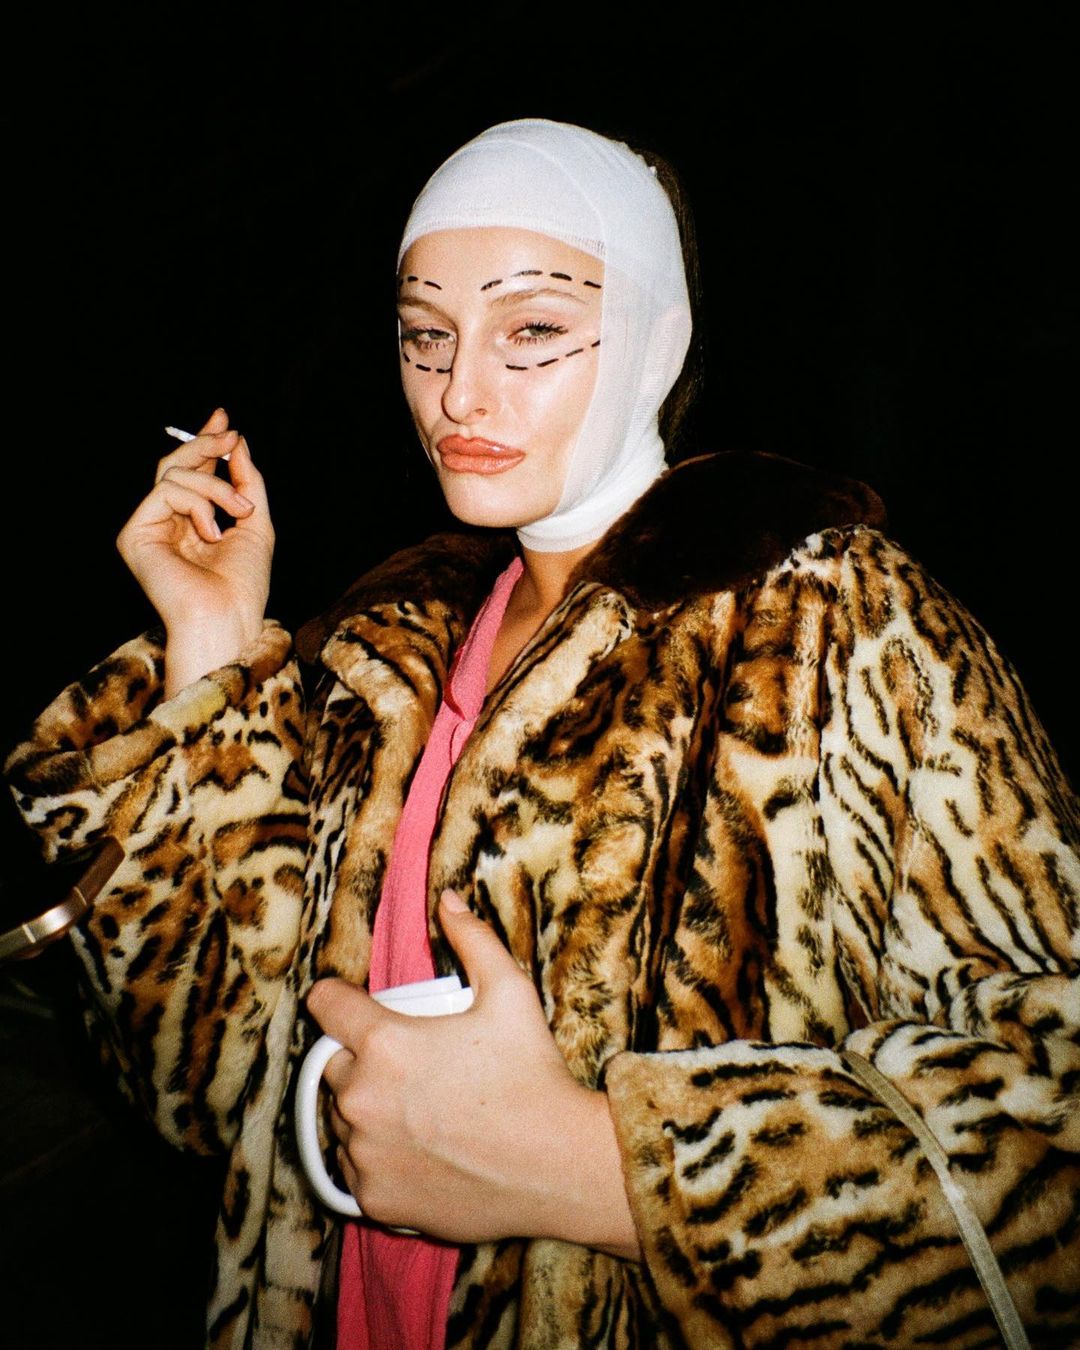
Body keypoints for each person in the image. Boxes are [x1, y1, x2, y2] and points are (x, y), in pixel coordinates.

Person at [5, 119, 1078, 1350]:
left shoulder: (831, 624)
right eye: (426, 335)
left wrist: (592, 1170)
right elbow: (206, 1087)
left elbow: (1052, 1163)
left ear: (657, 342)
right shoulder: (386, 657)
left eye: (532, 332)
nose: (460, 392)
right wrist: (210, 638)